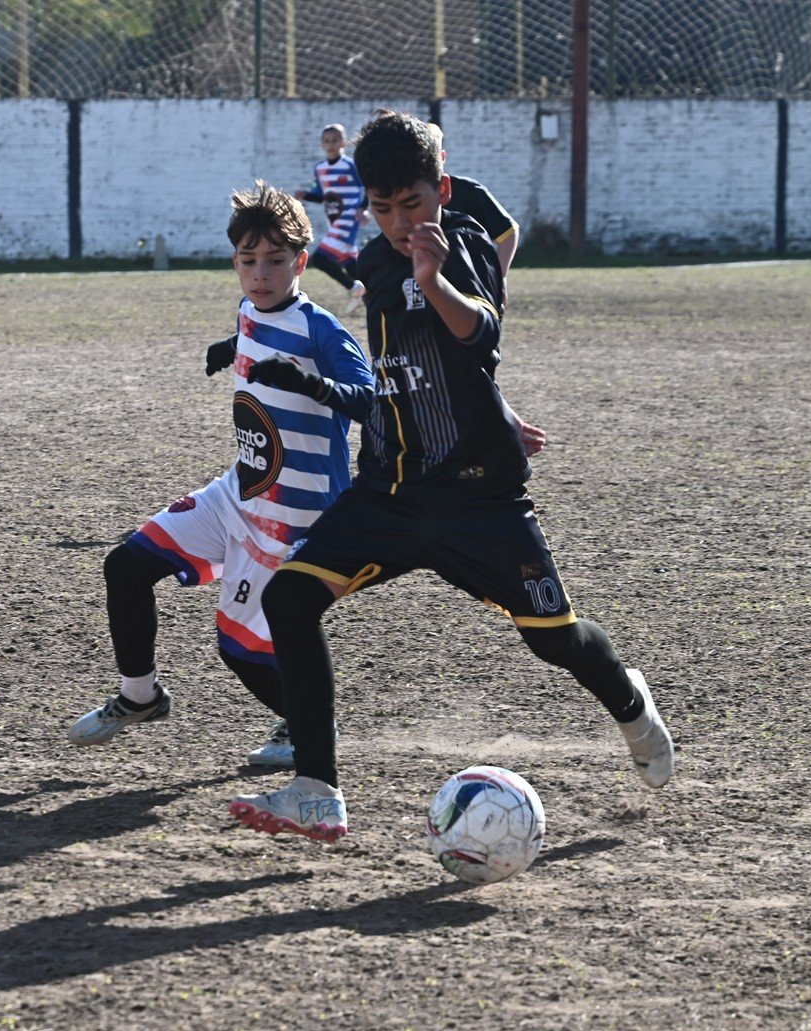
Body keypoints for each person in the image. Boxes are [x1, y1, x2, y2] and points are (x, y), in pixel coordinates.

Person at [229, 111, 673, 843]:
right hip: (390, 492)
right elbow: (419, 371)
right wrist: (492, 405)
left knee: (553, 638)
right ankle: (315, 786)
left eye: (412, 203)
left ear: (439, 190)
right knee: (290, 597)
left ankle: (630, 706)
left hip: (476, 499)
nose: (401, 223)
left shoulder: (456, 245)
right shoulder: (374, 262)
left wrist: (432, 278)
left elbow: (479, 334)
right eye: (383, 208)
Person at [65, 181, 374, 768]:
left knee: (239, 648)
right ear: (234, 261)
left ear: (301, 263)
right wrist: (232, 345)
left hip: (294, 516)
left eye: (276, 262)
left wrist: (313, 384)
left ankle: (307, 725)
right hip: (241, 490)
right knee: (126, 566)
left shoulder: (322, 330)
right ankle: (140, 697)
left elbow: (375, 401)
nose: (261, 274)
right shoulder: (250, 309)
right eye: (248, 261)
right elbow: (260, 332)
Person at [427, 121, 520, 310]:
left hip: (473, 285)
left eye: (432, 157)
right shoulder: (408, 197)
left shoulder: (469, 192)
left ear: (443, 157)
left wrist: (499, 277)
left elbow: (509, 233)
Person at [294, 123, 369, 314]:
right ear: (321, 144)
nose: (331, 144)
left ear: (343, 142)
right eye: (327, 141)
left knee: (320, 258)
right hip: (334, 221)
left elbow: (368, 185)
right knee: (354, 268)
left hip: (348, 219)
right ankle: (374, 303)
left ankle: (354, 289)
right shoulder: (320, 169)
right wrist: (304, 195)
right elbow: (322, 196)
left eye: (335, 140)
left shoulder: (351, 165)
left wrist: (363, 208)